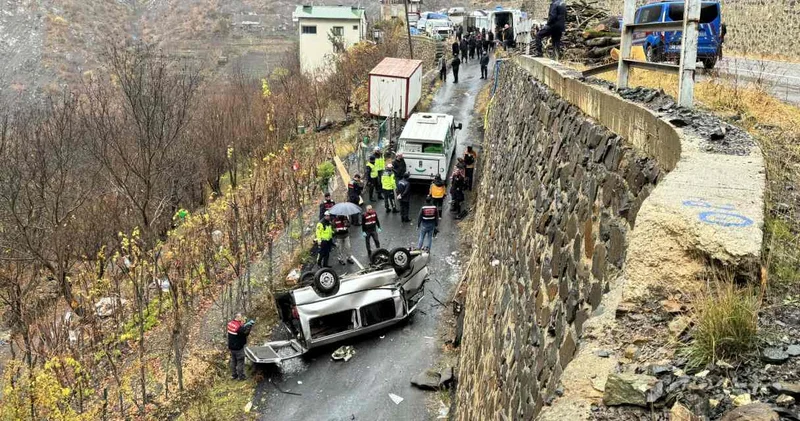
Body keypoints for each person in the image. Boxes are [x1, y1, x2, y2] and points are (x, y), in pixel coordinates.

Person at [227, 313, 254, 380]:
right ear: (238, 317)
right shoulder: (239, 328)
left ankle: (234, 375)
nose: (242, 318)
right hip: (238, 347)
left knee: (233, 361)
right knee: (240, 361)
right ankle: (241, 376)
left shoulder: (230, 324)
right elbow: (245, 333)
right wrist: (250, 326)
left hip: (231, 347)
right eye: (241, 317)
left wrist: (243, 324)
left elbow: (239, 328)